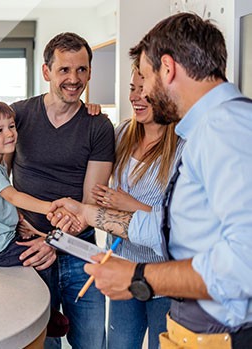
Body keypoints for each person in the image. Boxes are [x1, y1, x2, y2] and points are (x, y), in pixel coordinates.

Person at [48, 12, 252, 349]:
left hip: (226, 336)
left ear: (167, 69)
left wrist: (139, 276)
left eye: (145, 77)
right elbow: (168, 228)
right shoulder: (208, 128)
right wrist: (87, 214)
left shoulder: (224, 128)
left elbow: (243, 264)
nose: (142, 93)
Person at [0, 32, 115, 349]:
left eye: (82, 70)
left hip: (76, 250)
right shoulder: (19, 116)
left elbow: (89, 204)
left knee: (92, 342)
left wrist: (54, 241)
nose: (74, 79)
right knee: (39, 342)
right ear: (46, 72)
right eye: (64, 70)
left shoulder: (98, 126)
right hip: (23, 248)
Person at [91, 62, 184, 349]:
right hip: (121, 266)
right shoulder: (120, 134)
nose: (134, 96)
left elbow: (181, 223)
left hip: (164, 278)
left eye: (144, 90)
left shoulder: (184, 147)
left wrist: (132, 205)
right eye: (132, 88)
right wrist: (87, 117)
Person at [0, 98, 71, 338]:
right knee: (40, 259)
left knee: (37, 247)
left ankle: (39, 311)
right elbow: (14, 196)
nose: (9, 133)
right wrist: (50, 208)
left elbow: (0, 206)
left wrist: (20, 222)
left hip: (0, 237)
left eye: (11, 126)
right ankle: (44, 315)